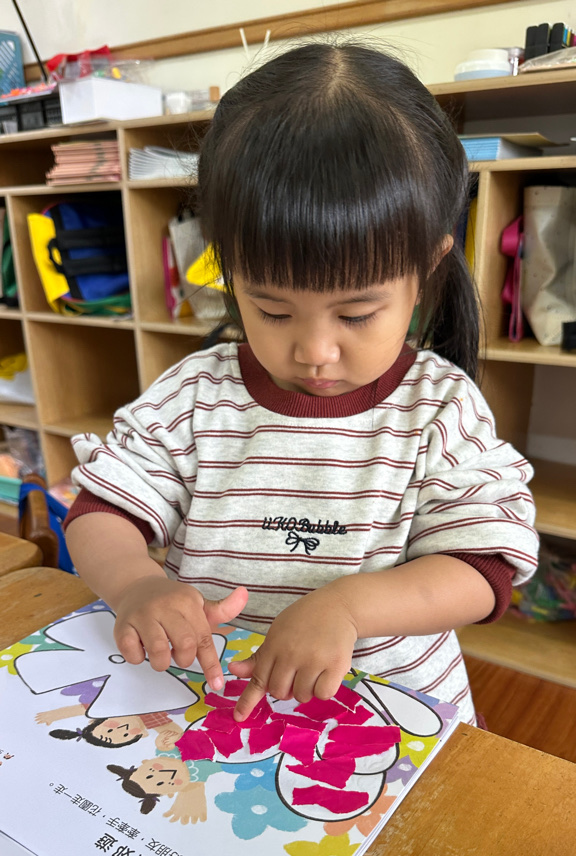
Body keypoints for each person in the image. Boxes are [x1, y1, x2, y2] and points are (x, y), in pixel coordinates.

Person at [64, 42, 538, 729]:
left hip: (385, 720)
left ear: (428, 267)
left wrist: (349, 608)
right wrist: (136, 583)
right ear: (228, 269)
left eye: (357, 314)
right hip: (221, 708)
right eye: (273, 310)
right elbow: (102, 510)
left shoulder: (439, 408)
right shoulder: (195, 396)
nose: (315, 352)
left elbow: (483, 567)